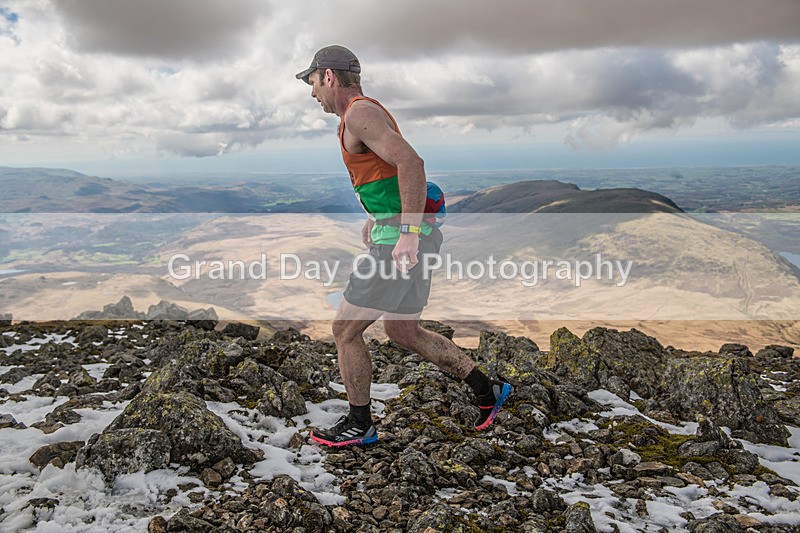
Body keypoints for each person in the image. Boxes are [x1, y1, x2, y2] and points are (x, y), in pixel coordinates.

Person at [296, 45, 512, 447]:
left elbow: (412, 163)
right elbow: (390, 173)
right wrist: (380, 217)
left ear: (328, 76)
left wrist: (406, 233)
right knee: (402, 329)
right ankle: (489, 390)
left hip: (400, 244)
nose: (312, 94)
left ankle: (361, 424)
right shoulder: (362, 113)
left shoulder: (358, 113)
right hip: (405, 236)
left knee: (344, 331)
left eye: (312, 83)